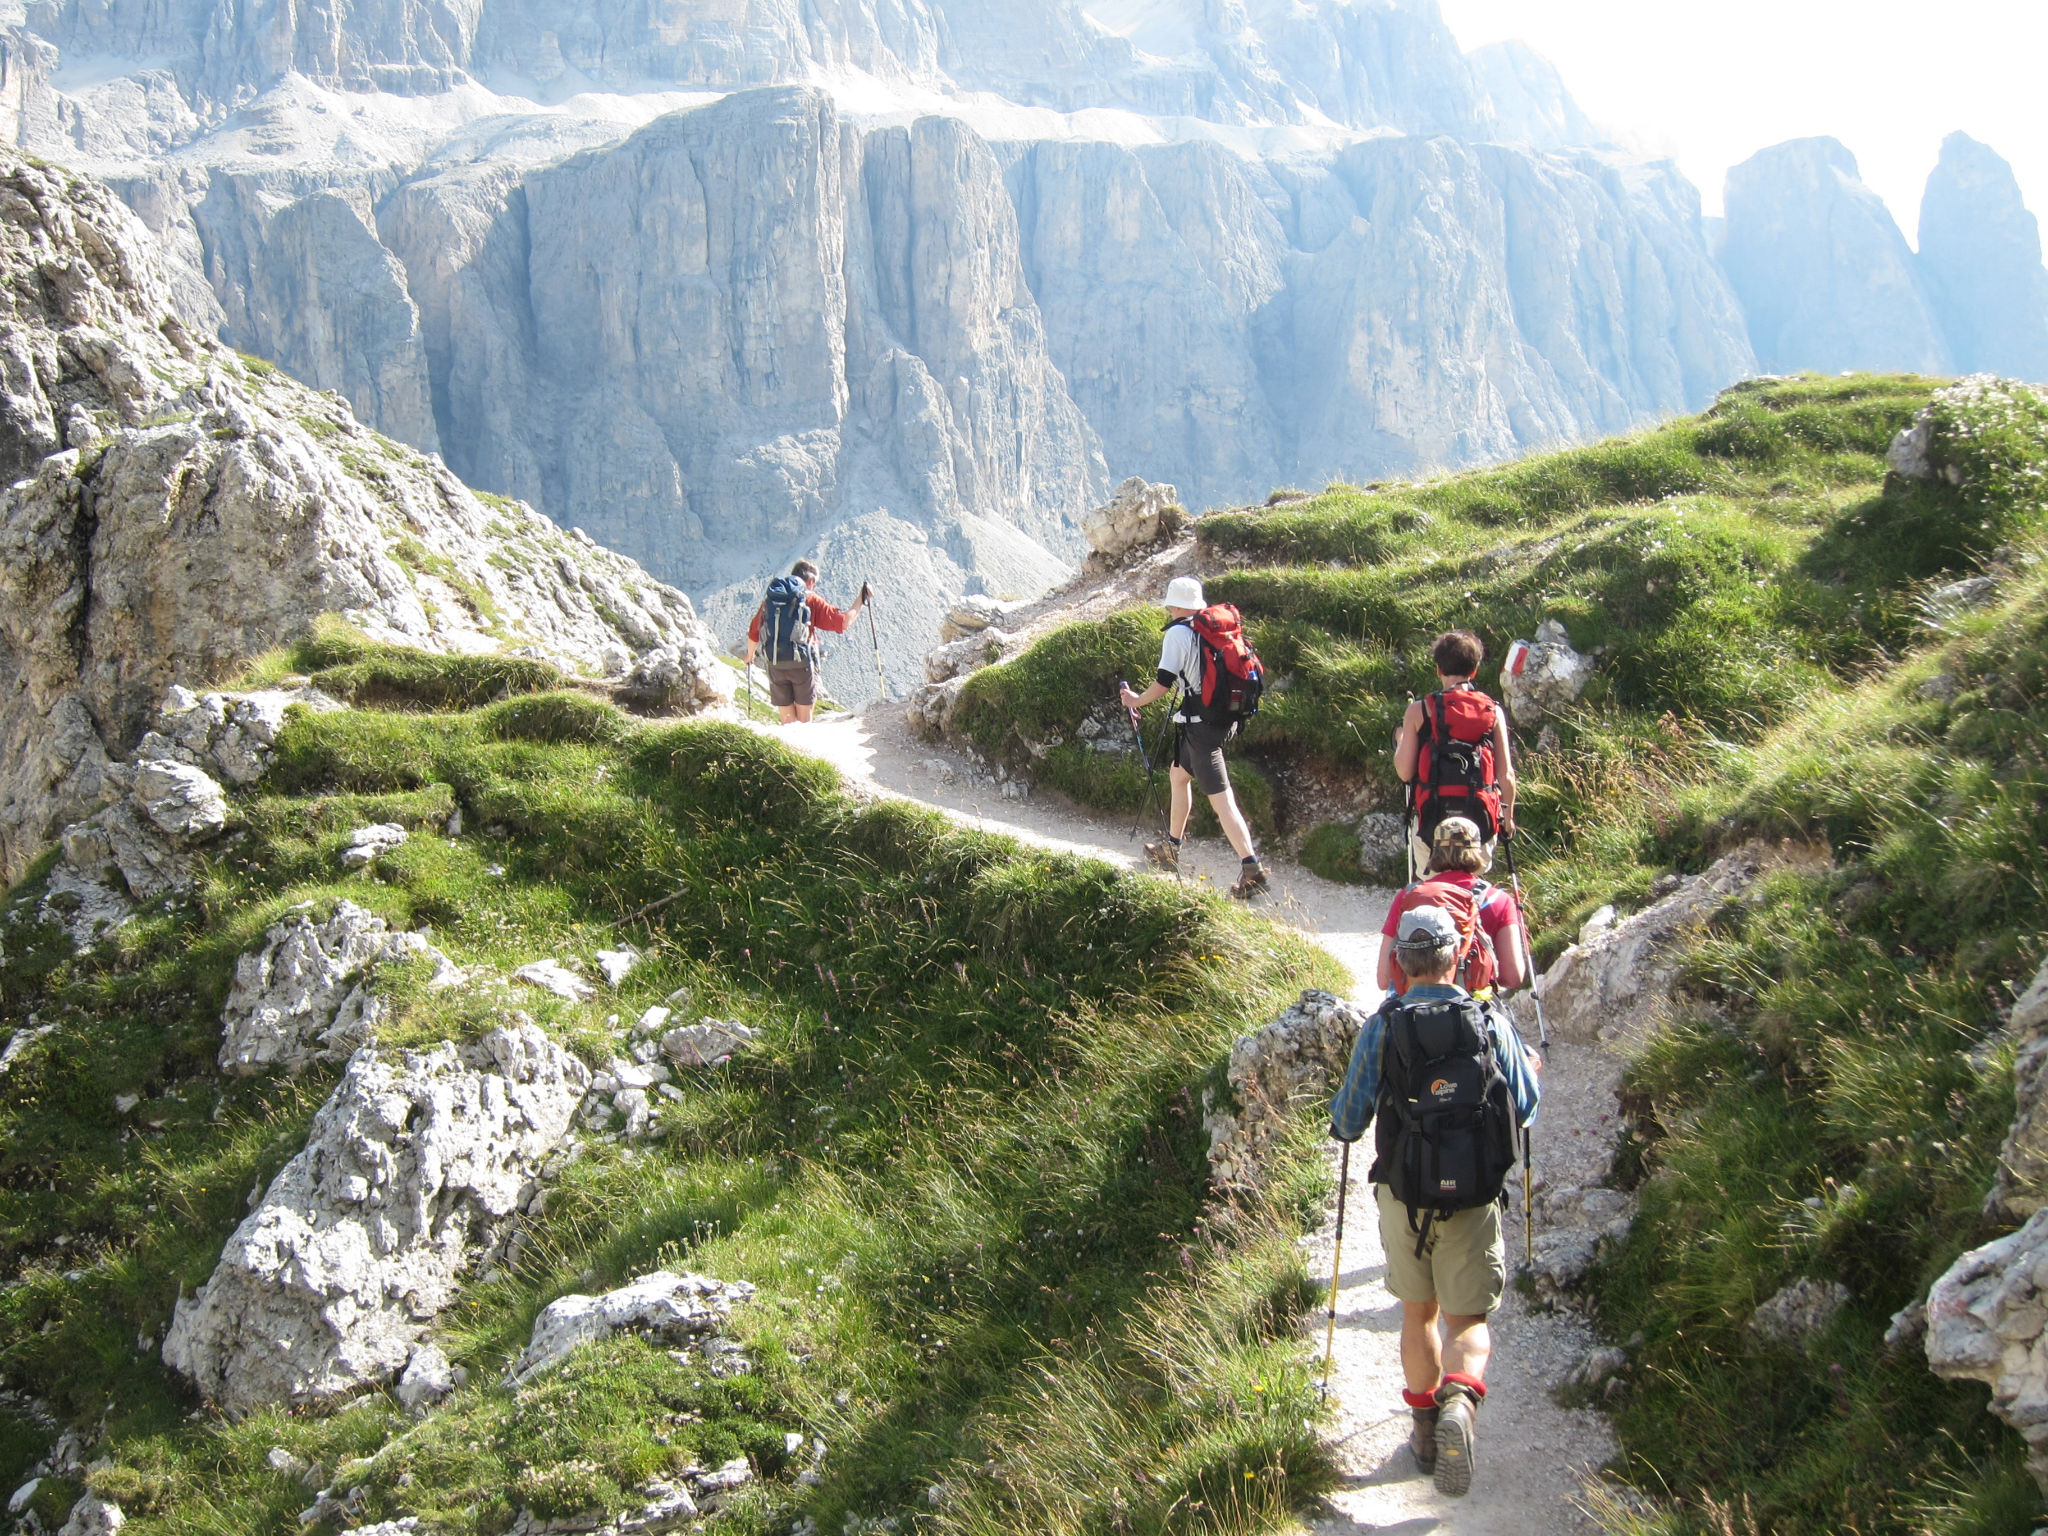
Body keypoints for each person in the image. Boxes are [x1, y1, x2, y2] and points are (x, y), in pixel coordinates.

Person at [1330, 905, 1541, 1498]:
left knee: (1418, 1313)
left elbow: (1348, 1119)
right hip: (1473, 1196)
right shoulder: (1488, 1021)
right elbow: (1525, 1108)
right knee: (1467, 1322)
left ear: (1400, 962)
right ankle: (1461, 1403)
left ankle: (1424, 1429)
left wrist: (1346, 1124)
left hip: (1405, 1194)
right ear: (1457, 957)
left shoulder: (1384, 1025)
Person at [1118, 575, 1267, 900]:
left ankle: (1252, 868)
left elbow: (1163, 684)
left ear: (1173, 605)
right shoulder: (1210, 631)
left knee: (1222, 802)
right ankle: (1171, 848)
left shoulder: (1177, 634)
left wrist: (1134, 701)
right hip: (1219, 719)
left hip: (1202, 728)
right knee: (1178, 775)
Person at [1392, 629, 1516, 875]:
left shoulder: (1420, 711)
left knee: (1433, 896)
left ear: (1438, 668)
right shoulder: (1492, 712)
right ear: (1475, 670)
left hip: (1432, 825)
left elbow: (1405, 772)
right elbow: (1507, 775)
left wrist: (1401, 738)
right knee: (1471, 892)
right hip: (1479, 826)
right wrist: (1508, 818)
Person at [1376, 816, 1527, 999]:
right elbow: (1513, 977)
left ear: (1434, 851)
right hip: (1470, 1010)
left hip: (1412, 1014)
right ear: (1479, 851)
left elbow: (1383, 979)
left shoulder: (1409, 895)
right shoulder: (1499, 900)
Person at [743, 560, 869, 724]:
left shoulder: (772, 600)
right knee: (804, 722)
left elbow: (754, 631)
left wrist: (749, 656)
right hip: (801, 664)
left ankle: (787, 747)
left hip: (775, 663)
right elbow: (842, 622)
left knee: (787, 721)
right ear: (810, 581)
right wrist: (861, 598)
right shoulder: (810, 599)